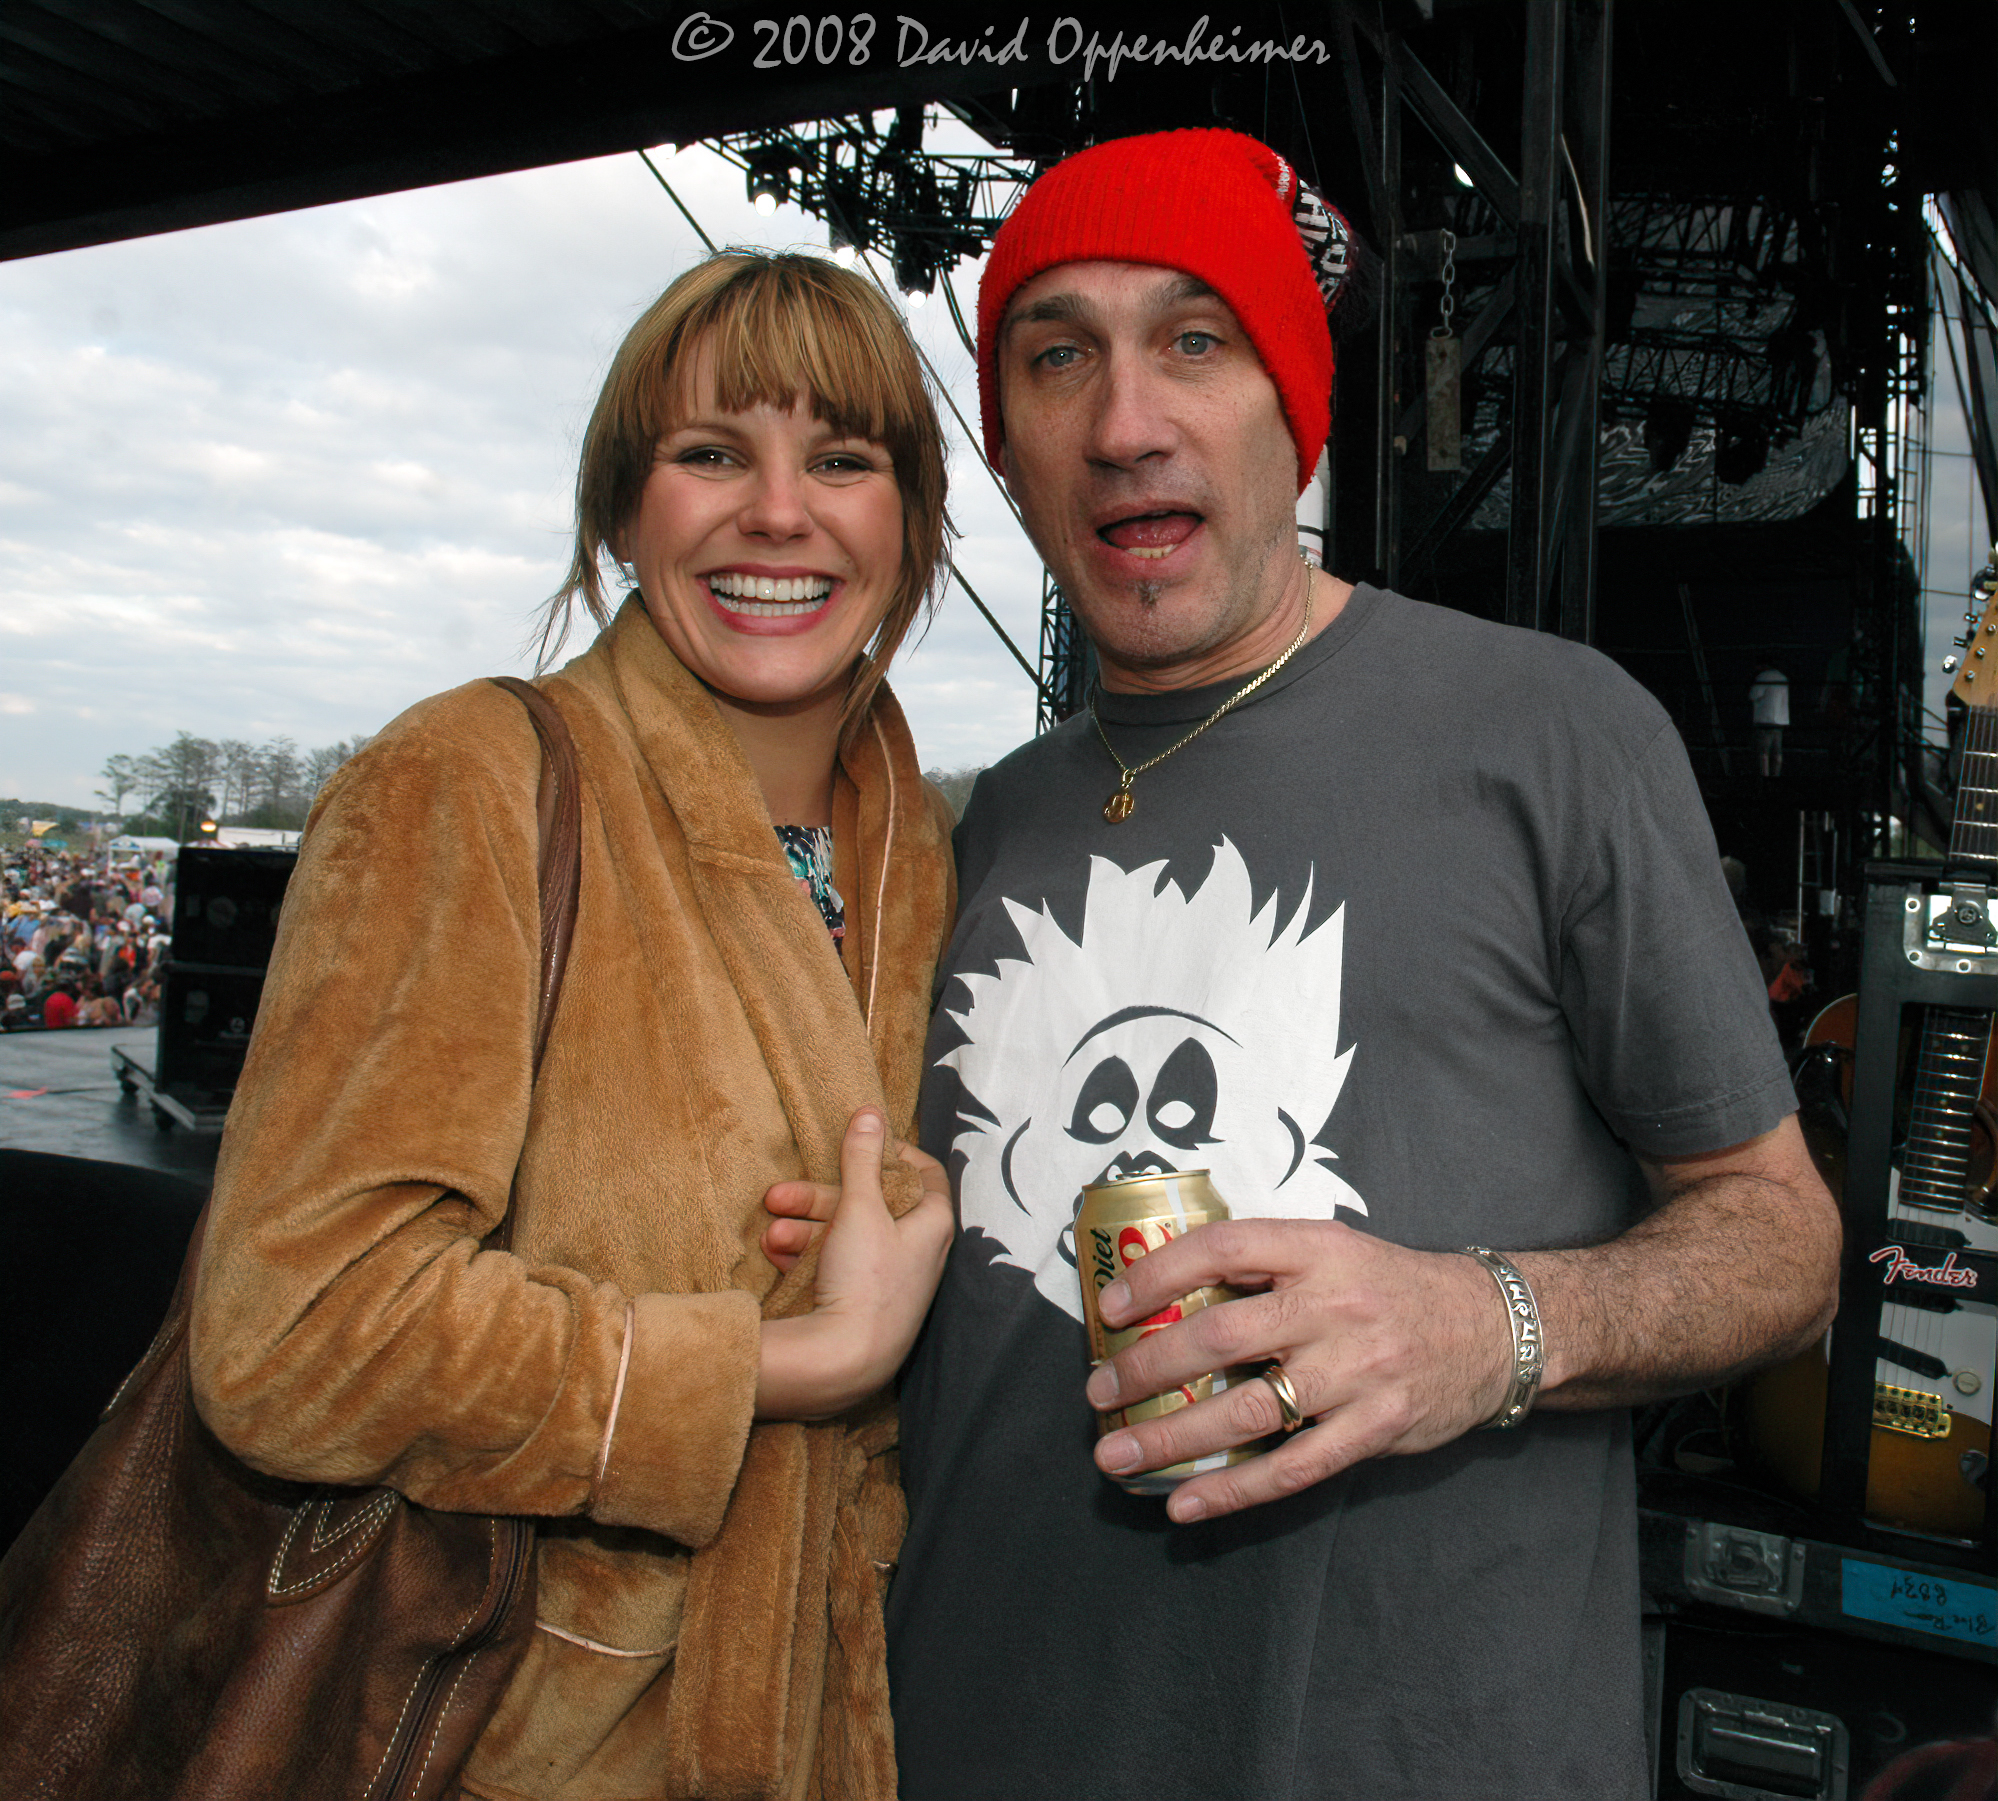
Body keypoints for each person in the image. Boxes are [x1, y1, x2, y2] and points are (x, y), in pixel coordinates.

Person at [765, 130, 1841, 1801]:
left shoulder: (1549, 732)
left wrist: (1484, 1325)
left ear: (1294, 407)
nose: (1127, 422)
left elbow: (1783, 1241)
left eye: (1196, 340)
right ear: (1008, 444)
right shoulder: (954, 834)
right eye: (1058, 356)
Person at [187, 252, 959, 1801]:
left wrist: (915, 1202)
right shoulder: (470, 780)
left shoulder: (916, 843)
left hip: (842, 1719)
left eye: (845, 459)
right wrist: (786, 1358)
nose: (778, 512)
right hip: (522, 1736)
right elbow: (290, 1335)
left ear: (911, 520)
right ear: (623, 513)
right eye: (709, 453)